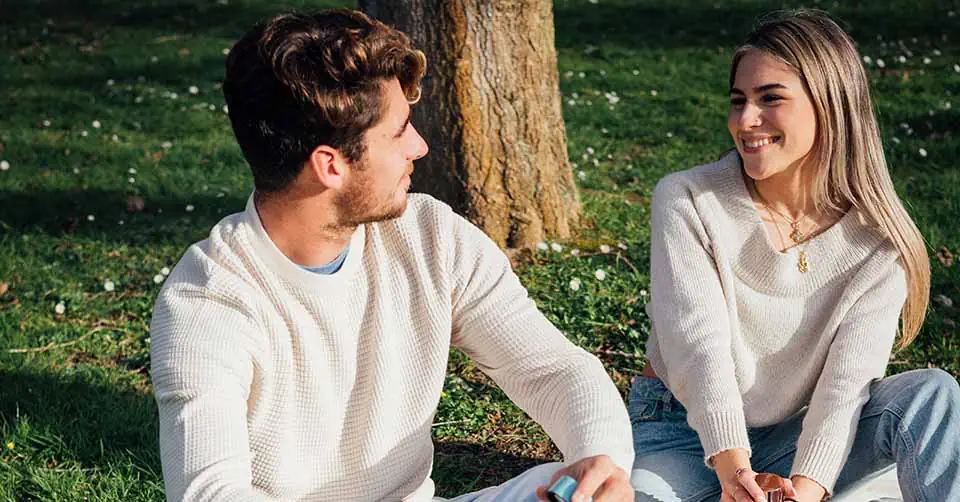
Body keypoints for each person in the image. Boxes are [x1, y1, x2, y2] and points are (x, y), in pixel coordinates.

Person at [149, 8, 635, 502]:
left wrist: (602, 461)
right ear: (331, 165)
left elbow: (554, 370)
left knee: (581, 491)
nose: (420, 147)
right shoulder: (208, 299)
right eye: (399, 130)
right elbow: (210, 493)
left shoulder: (430, 235)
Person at [628, 10, 959, 502]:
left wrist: (803, 492)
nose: (745, 120)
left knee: (932, 394)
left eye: (770, 99)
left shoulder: (879, 243)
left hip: (794, 440)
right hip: (684, 435)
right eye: (738, 100)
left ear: (830, 105)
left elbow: (845, 390)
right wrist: (736, 473)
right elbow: (699, 349)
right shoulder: (688, 200)